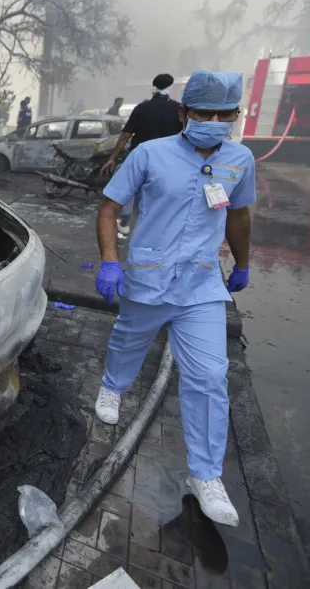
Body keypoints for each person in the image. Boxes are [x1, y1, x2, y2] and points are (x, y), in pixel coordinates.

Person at [92, 70, 255, 527]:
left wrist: (242, 264)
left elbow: (239, 215)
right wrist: (110, 259)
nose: (215, 121)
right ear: (184, 113)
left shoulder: (240, 159)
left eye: (226, 114)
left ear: (235, 116)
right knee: (129, 339)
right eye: (205, 112)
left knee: (209, 376)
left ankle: (205, 476)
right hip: (148, 275)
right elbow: (109, 208)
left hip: (201, 285)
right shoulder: (150, 154)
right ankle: (112, 386)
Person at [101, 74, 184, 235]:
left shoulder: (141, 108)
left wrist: (112, 158)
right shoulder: (178, 109)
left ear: (153, 88)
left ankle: (125, 220)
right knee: (158, 194)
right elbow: (185, 134)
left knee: (129, 189)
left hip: (140, 159)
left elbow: (125, 135)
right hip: (168, 160)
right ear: (170, 88)